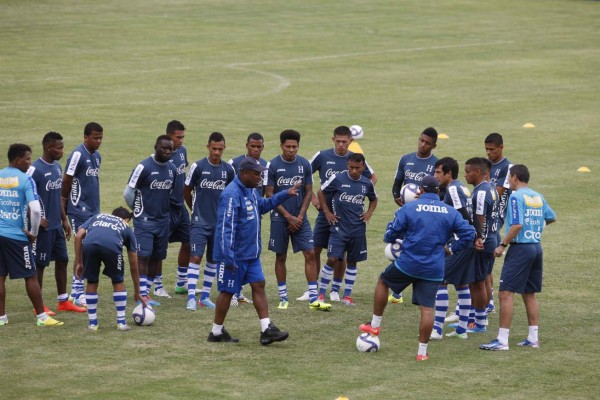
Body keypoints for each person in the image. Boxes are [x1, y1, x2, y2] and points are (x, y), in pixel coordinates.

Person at [359, 176, 475, 361]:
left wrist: (396, 235)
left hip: (409, 263)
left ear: (421, 190)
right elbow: (469, 233)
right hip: (434, 268)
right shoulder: (449, 211)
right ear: (437, 191)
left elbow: (390, 235)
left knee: (383, 281)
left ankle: (374, 325)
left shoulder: (409, 208)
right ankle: (422, 353)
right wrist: (451, 249)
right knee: (427, 309)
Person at [207, 157, 300, 345]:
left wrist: (285, 194)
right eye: (256, 174)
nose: (260, 178)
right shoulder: (231, 194)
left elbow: (263, 206)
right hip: (234, 256)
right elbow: (226, 228)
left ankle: (267, 329)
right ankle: (216, 332)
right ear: (244, 173)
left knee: (259, 285)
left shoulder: (250, 191)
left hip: (250, 255)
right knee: (227, 291)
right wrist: (228, 258)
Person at [480, 164, 556, 351]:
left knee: (505, 293)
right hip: (536, 247)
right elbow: (551, 217)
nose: (508, 181)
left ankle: (502, 340)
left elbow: (516, 225)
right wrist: (536, 228)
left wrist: (502, 245)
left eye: (509, 178)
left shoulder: (516, 197)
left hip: (520, 249)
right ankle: (533, 338)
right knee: (529, 293)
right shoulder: (537, 196)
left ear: (514, 177)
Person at [308, 126, 376, 302]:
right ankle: (313, 289)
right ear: (333, 140)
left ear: (350, 141)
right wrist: (314, 200)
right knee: (315, 248)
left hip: (346, 216)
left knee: (341, 254)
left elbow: (372, 178)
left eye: (344, 142)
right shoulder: (322, 156)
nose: (340, 145)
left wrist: (359, 196)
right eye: (337, 141)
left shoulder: (355, 160)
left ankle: (335, 290)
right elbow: (304, 176)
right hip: (326, 213)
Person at [265, 130, 331, 311]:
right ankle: (283, 297)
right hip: (280, 218)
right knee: (281, 256)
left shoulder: (304, 164)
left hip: (300, 219)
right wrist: (287, 216)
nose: (291, 150)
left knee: (310, 253)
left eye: (294, 147)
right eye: (288, 147)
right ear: (281, 146)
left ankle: (313, 298)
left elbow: (309, 191)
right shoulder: (273, 165)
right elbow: (269, 194)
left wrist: (300, 216)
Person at [0, 143, 64, 327]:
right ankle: (42, 317)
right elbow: (35, 211)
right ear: (18, 159)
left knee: (0, 276)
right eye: (27, 159)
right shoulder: (25, 180)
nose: (30, 163)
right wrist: (34, 233)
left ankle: (2, 318)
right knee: (31, 276)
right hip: (16, 235)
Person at [27, 132, 85, 314]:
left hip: (56, 225)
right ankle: (39, 306)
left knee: (62, 260)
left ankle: (63, 301)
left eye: (62, 147)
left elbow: (58, 197)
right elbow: (22, 195)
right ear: (48, 147)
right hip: (42, 227)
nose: (62, 151)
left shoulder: (57, 167)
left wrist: (64, 219)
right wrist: (35, 218)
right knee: (40, 265)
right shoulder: (34, 170)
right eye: (59, 148)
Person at [124, 135, 177, 307]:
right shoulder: (143, 166)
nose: (168, 151)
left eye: (170, 148)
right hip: (145, 221)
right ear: (156, 147)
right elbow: (128, 193)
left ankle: (146, 292)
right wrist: (138, 209)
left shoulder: (172, 169)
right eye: (164, 148)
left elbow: (169, 193)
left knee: (157, 257)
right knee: (143, 256)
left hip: (163, 221)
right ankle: (141, 294)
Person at [183, 132, 235, 310]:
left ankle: (204, 296)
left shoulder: (228, 170)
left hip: (219, 223)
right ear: (208, 147)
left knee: (213, 259)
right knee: (196, 257)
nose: (217, 152)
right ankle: (191, 297)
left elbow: (232, 193)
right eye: (214, 149)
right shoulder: (198, 166)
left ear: (224, 148)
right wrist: (195, 209)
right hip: (199, 222)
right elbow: (186, 190)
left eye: (220, 149)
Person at [74, 207, 146, 331]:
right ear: (127, 219)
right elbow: (134, 266)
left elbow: (79, 235)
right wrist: (137, 292)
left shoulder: (97, 216)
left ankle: (92, 323)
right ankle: (121, 323)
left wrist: (79, 262)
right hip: (112, 246)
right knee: (118, 280)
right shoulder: (126, 227)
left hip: (89, 244)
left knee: (91, 281)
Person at [389, 127, 439, 304]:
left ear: (434, 145)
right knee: (400, 247)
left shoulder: (436, 164)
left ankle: (420, 289)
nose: (422, 145)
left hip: (426, 215)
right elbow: (396, 185)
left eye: (427, 143)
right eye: (421, 140)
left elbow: (440, 192)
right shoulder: (406, 159)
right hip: (406, 213)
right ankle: (396, 292)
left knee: (420, 248)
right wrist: (399, 200)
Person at [430, 157, 475, 340]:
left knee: (440, 280)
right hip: (467, 242)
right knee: (462, 284)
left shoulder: (454, 188)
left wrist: (456, 244)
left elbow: (463, 215)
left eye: (438, 172)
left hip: (460, 242)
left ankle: (437, 330)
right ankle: (462, 330)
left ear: (449, 173)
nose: (435, 176)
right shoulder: (460, 187)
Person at [62, 122, 103, 307]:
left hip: (93, 210)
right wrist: (64, 204)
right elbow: (67, 180)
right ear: (85, 137)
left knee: (88, 249)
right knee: (83, 249)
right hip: (79, 209)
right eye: (95, 137)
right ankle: (78, 292)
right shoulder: (78, 154)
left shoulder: (98, 156)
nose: (98, 141)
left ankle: (75, 291)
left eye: (100, 137)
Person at [227, 132, 269, 306]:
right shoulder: (234, 164)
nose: (255, 149)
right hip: (238, 217)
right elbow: (228, 189)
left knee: (252, 252)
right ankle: (232, 292)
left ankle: (239, 291)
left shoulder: (266, 165)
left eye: (259, 146)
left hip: (254, 217)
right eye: (252, 146)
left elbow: (264, 191)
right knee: (237, 253)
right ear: (246, 145)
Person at [464, 157, 499, 333]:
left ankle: (478, 323)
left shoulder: (481, 193)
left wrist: (479, 239)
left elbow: (481, 220)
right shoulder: (491, 188)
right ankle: (477, 319)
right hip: (492, 239)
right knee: (484, 278)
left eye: (468, 172)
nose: (465, 175)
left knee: (476, 282)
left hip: (483, 242)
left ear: (478, 172)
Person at [161, 120, 191, 297]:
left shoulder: (182, 151)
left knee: (188, 241)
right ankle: (157, 286)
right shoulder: (163, 154)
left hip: (180, 207)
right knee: (160, 247)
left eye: (182, 137)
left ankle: (181, 282)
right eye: (178, 137)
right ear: (169, 136)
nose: (181, 140)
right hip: (166, 208)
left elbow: (182, 175)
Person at [484, 132, 512, 314]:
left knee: (485, 262)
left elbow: (497, 192)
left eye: (492, 150)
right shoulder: (484, 165)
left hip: (496, 218)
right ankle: (488, 300)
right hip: (484, 215)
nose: (489, 153)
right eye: (486, 149)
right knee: (484, 263)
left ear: (501, 147)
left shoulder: (508, 168)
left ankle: (489, 301)